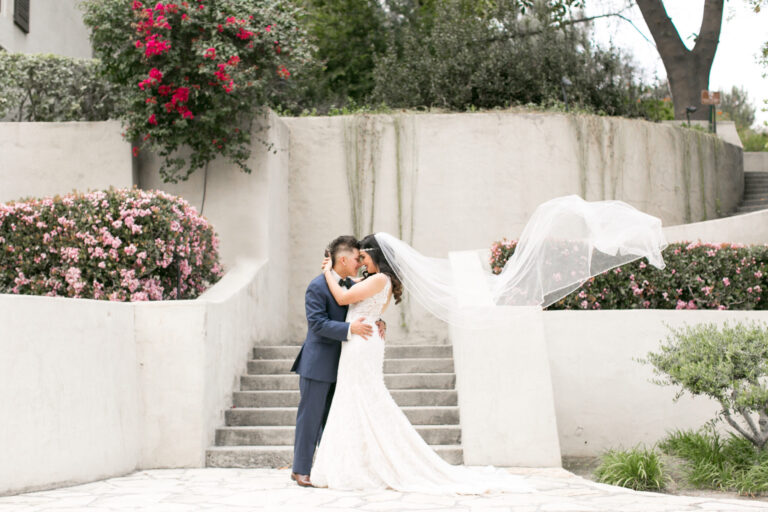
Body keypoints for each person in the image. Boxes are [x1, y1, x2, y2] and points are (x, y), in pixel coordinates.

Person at [309, 234, 532, 494]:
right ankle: (358, 462)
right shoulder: (376, 280)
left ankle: (367, 464)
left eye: (365, 258)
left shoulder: (380, 279)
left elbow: (342, 298)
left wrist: (326, 272)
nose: (361, 263)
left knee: (361, 395)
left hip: (362, 343)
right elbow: (350, 286)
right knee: (356, 397)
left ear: (376, 257)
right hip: (361, 340)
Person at [290, 235, 385, 487]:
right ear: (342, 259)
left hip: (346, 366)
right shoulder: (317, 286)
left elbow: (362, 306)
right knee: (310, 418)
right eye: (357, 258)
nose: (360, 263)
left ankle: (328, 468)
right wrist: (349, 328)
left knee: (333, 422)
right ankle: (300, 470)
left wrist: (378, 320)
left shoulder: (352, 284)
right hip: (318, 364)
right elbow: (318, 324)